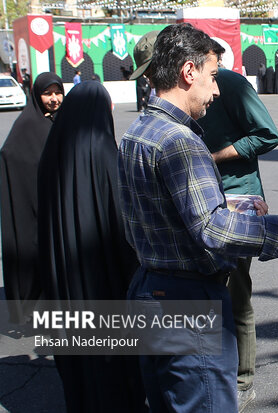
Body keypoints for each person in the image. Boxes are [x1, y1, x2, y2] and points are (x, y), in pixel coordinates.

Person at [117, 24, 278, 412]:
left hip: (149, 287)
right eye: (211, 76)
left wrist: (231, 208)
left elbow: (156, 216)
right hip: (188, 300)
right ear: (188, 72)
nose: (217, 89)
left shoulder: (137, 132)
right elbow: (213, 229)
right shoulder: (181, 141)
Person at [37, 81, 146, 412]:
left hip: (63, 271)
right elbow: (122, 224)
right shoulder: (104, 152)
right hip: (102, 274)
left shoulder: (51, 151)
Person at [196, 67, 278, 411]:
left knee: (235, 295)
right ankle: (211, 373)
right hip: (200, 200)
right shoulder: (172, 93)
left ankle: (242, 381)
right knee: (204, 293)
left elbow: (267, 135)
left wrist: (214, 157)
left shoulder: (229, 84)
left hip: (237, 200)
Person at [0, 72, 64, 325]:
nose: (54, 99)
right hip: (31, 203)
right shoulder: (27, 124)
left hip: (53, 203)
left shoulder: (62, 121)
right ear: (37, 95)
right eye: (48, 93)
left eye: (58, 92)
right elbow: (10, 157)